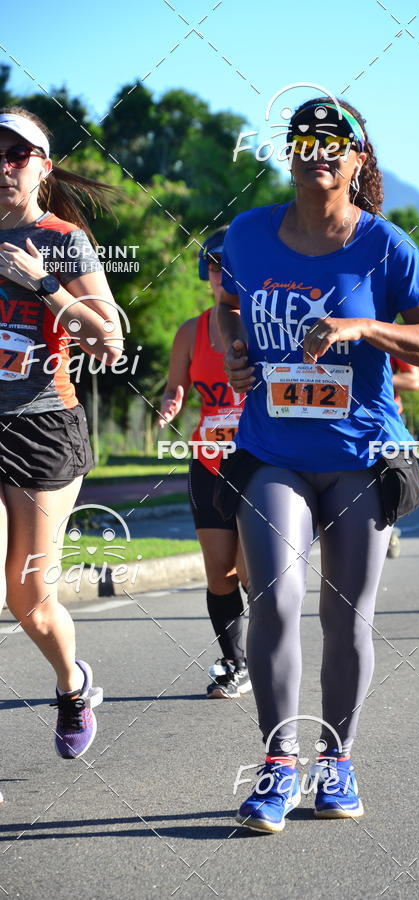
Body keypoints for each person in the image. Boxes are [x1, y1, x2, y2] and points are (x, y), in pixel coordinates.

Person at [215, 97, 419, 832]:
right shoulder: (248, 233)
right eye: (304, 138)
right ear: (287, 153)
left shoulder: (385, 247)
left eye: (334, 141)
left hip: (359, 456)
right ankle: (277, 764)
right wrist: (235, 346)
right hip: (274, 451)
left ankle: (338, 762)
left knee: (347, 617)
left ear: (358, 161)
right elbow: (229, 302)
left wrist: (363, 325)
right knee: (276, 601)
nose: (317, 149)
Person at [0, 107, 122, 758]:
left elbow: (110, 340)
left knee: (30, 599)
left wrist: (43, 285)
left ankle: (72, 685)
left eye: (16, 155)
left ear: (42, 168)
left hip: (43, 428)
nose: (2, 167)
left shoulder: (62, 241)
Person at [158, 227, 251, 699]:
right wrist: (170, 403)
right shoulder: (190, 332)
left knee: (254, 570)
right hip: (209, 462)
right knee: (220, 572)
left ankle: (271, 654)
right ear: (206, 273)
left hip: (258, 464)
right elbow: (177, 386)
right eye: (215, 266)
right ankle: (234, 664)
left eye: (231, 267)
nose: (222, 275)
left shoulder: (261, 326)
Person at [387, 357, 419, 558]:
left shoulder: (383, 327)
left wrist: (365, 376)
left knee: (385, 480)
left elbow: (413, 379)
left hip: (381, 419)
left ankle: (387, 529)